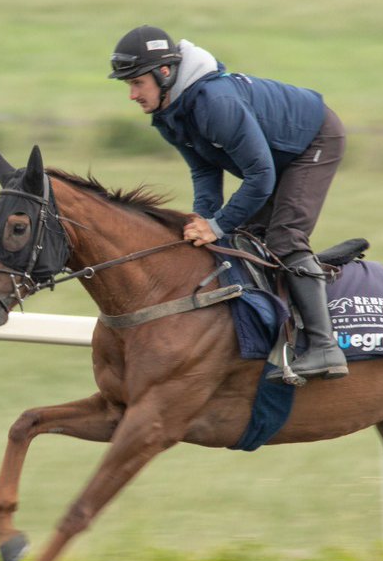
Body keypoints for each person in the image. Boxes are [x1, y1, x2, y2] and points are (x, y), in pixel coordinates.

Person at [107, 24, 348, 381]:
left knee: (284, 237)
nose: (132, 95)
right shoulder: (169, 115)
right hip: (273, 157)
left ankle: (325, 348)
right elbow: (205, 174)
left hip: (314, 139)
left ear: (164, 73)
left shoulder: (215, 103)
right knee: (244, 237)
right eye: (128, 85)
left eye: (137, 83)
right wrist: (203, 223)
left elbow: (261, 176)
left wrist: (217, 224)